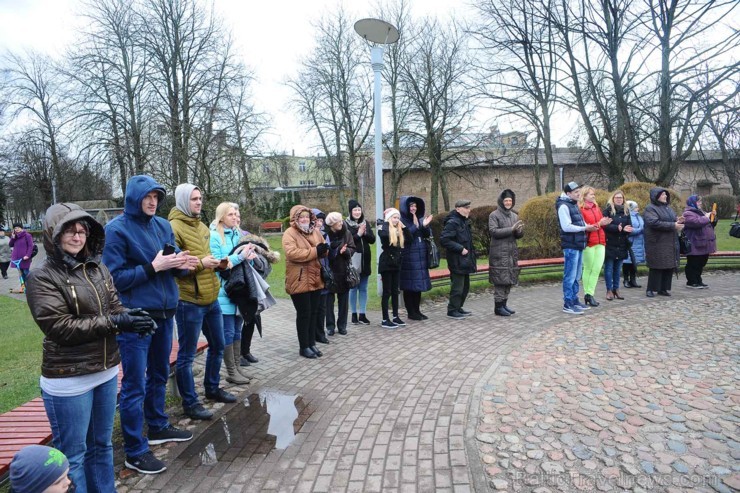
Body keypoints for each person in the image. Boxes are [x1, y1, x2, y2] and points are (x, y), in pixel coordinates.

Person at [26, 203, 156, 491]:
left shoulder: (98, 268)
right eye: (69, 230)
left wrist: (133, 318)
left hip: (105, 372)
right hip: (68, 378)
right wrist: (116, 321)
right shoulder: (42, 276)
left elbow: (115, 306)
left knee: (102, 446)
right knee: (73, 457)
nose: (77, 236)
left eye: (82, 230)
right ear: (53, 234)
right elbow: (60, 328)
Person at [103, 175, 197, 474]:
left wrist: (181, 266)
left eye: (157, 196)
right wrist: (153, 267)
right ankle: (134, 449)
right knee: (134, 385)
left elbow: (167, 266)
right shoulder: (116, 231)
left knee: (158, 374)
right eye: (147, 196)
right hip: (136, 319)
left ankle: (157, 426)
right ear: (133, 197)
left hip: (166, 311)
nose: (153, 201)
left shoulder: (162, 226)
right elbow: (114, 279)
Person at [169, 184, 236, 420]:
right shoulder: (173, 227)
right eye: (194, 199)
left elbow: (207, 256)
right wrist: (201, 263)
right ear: (183, 201)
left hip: (211, 297)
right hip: (189, 300)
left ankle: (212, 388)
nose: (198, 202)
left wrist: (219, 262)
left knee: (218, 345)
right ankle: (190, 403)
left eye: (200, 198)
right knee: (186, 356)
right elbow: (175, 265)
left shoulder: (201, 226)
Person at [209, 202, 255, 385]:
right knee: (228, 333)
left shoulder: (238, 234)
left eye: (237, 214)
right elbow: (219, 264)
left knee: (237, 331)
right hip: (223, 292)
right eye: (231, 215)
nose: (235, 217)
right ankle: (231, 371)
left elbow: (241, 266)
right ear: (221, 217)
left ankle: (237, 369)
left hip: (239, 292)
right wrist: (241, 257)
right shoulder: (213, 236)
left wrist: (249, 259)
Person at [282, 205, 327, 359]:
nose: (305, 219)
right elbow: (292, 253)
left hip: (315, 277)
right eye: (301, 217)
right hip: (299, 279)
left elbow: (322, 248)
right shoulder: (290, 233)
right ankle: (304, 347)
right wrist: (316, 251)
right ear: (295, 218)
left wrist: (324, 249)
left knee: (314, 312)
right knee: (304, 314)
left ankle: (312, 343)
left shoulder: (315, 231)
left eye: (307, 217)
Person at [556, 182, 599, 314]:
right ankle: (568, 303)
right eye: (576, 192)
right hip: (570, 245)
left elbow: (581, 222)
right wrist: (585, 228)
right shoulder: (563, 206)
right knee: (570, 276)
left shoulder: (574, 204)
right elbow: (566, 227)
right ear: (568, 193)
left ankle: (574, 300)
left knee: (576, 276)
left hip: (579, 244)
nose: (579, 194)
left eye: (579, 192)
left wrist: (591, 226)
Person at [488, 189, 524, 316]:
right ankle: (498, 307)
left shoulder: (514, 216)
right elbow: (493, 232)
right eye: (506, 200)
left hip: (511, 253)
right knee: (500, 280)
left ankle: (504, 304)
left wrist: (520, 231)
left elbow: (517, 235)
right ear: (501, 201)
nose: (508, 202)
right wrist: (511, 229)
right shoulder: (494, 215)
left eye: (510, 200)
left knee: (509, 279)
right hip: (499, 253)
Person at [643, 187, 684, 297]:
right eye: (662, 195)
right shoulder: (650, 208)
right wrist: (673, 225)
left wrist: (677, 220)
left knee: (668, 265)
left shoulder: (668, 208)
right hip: (657, 242)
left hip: (669, 242)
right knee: (656, 266)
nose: (665, 196)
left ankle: (663, 288)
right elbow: (653, 222)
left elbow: (670, 219)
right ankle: (650, 289)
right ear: (656, 196)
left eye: (666, 194)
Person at [440, 199, 477, 319]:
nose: (468, 210)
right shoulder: (452, 222)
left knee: (465, 287)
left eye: (469, 207)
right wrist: (460, 248)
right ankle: (452, 310)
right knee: (458, 287)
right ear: (457, 209)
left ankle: (458, 307)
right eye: (466, 207)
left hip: (465, 260)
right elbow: (444, 240)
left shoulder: (464, 222)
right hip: (456, 260)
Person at [399, 196, 433, 320]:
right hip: (409, 256)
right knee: (409, 286)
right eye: (411, 206)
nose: (413, 208)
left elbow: (427, 235)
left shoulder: (419, 218)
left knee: (418, 285)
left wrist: (425, 226)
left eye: (415, 206)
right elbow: (406, 237)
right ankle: (411, 312)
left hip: (420, 256)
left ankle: (417, 310)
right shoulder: (402, 220)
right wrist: (416, 226)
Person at [324, 212, 357, 335]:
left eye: (341, 221)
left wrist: (346, 251)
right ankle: (330, 326)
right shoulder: (326, 234)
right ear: (332, 224)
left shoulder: (346, 233)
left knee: (343, 301)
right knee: (329, 301)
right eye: (338, 221)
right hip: (330, 270)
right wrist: (334, 249)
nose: (341, 223)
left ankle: (342, 325)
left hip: (344, 270)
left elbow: (353, 248)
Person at [378, 208, 411, 328]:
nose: (396, 220)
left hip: (396, 263)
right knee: (387, 292)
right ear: (389, 219)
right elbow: (384, 235)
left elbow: (410, 239)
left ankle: (395, 316)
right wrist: (387, 222)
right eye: (394, 217)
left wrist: (404, 227)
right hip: (386, 262)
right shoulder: (384, 228)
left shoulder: (399, 230)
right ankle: (385, 319)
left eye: (398, 218)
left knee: (395, 290)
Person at [345, 200, 375, 325]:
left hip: (365, 260)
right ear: (351, 212)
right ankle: (353, 314)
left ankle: (362, 314)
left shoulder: (365, 223)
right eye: (355, 210)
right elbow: (348, 241)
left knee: (363, 288)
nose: (357, 212)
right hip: (353, 260)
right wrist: (358, 234)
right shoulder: (346, 224)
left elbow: (372, 240)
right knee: (353, 288)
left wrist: (365, 233)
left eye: (359, 210)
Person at [579, 187, 611, 306]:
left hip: (600, 241)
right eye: (591, 194)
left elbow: (599, 224)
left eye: (594, 194)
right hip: (589, 242)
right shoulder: (580, 209)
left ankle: (590, 293)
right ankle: (588, 294)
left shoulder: (596, 207)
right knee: (588, 268)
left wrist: (604, 223)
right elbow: (585, 226)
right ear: (584, 196)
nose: (593, 196)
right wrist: (599, 223)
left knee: (597, 268)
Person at [602, 190, 632, 300]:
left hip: (622, 244)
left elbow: (629, 225)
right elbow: (604, 225)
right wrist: (616, 228)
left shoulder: (626, 211)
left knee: (618, 269)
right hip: (610, 243)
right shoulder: (607, 211)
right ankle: (609, 290)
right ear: (613, 199)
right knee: (609, 268)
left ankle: (616, 289)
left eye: (621, 198)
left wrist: (627, 229)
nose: (619, 199)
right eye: (617, 197)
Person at [682, 195, 717, 289]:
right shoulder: (688, 213)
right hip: (695, 243)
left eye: (700, 201)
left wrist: (713, 217)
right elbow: (696, 223)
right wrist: (706, 217)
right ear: (692, 202)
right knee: (693, 263)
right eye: (698, 202)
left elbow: (709, 224)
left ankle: (698, 280)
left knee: (701, 263)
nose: (700, 203)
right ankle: (691, 281)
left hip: (704, 243)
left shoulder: (701, 212)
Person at [312, 209, 332, 341]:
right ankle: (313, 333)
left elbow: (327, 252)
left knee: (322, 306)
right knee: (314, 306)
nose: (319, 223)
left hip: (323, 271)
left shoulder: (325, 235)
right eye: (317, 221)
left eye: (321, 221)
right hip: (313, 272)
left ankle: (320, 333)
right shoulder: (308, 234)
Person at [622, 200, 645, 288]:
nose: (638, 208)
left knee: (634, 262)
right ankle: (626, 280)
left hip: (638, 243)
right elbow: (629, 230)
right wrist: (640, 230)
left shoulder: (639, 216)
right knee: (627, 262)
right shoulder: (627, 216)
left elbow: (643, 226)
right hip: (630, 243)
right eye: (636, 207)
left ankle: (633, 280)